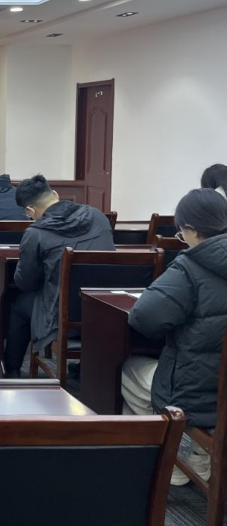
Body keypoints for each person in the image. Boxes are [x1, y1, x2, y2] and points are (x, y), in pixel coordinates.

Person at [123, 188, 227, 486]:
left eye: (181, 234)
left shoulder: (190, 266)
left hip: (199, 393)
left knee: (130, 370)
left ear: (191, 229)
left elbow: (144, 319)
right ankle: (199, 455)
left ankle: (159, 459)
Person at [3, 174, 114, 377]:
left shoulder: (35, 233)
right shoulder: (98, 216)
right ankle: (84, 364)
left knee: (18, 304)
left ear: (30, 210)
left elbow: (26, 282)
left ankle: (12, 369)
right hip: (104, 310)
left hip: (61, 316)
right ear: (55, 194)